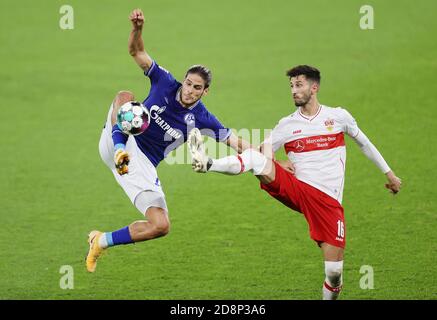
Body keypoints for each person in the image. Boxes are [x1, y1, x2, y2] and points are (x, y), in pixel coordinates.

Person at [187, 65, 402, 300]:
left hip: (328, 202)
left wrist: (389, 174)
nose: (293, 91)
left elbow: (365, 143)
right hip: (298, 190)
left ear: (314, 87)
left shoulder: (338, 116)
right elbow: (264, 151)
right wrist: (276, 163)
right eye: (291, 86)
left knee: (334, 274)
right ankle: (207, 163)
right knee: (255, 159)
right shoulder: (286, 125)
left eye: (299, 85)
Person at [86, 8, 251, 273]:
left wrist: (270, 162)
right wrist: (137, 29)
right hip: (119, 144)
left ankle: (100, 241)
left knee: (161, 226)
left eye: (197, 87)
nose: (189, 90)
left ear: (205, 91)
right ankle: (120, 150)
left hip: (140, 167)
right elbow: (136, 53)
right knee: (125, 96)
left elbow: (238, 143)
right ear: (183, 81)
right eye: (188, 83)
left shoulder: (203, 119)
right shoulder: (164, 82)